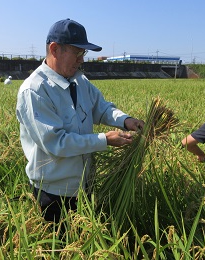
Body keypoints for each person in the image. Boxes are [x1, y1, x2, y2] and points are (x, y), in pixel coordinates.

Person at [16, 18, 144, 223]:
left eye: (83, 54)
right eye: (77, 52)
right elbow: (56, 143)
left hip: (85, 185)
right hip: (54, 193)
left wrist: (125, 120)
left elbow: (100, 107)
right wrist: (105, 140)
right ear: (55, 49)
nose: (81, 60)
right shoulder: (35, 90)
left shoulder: (79, 80)